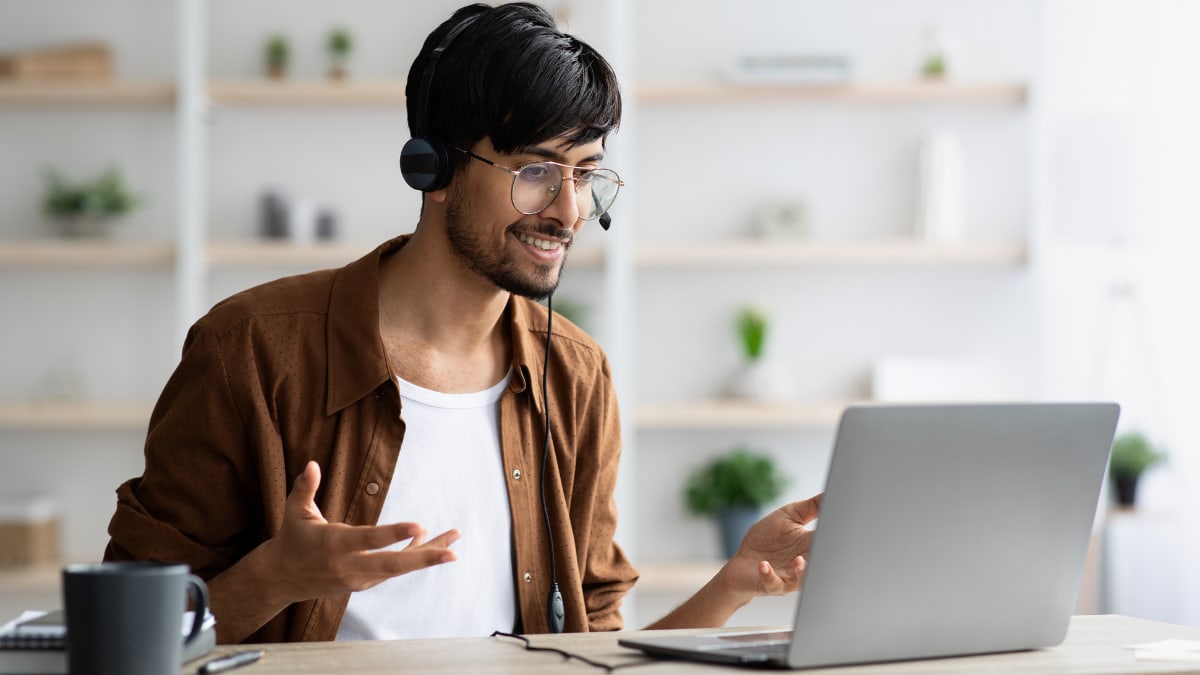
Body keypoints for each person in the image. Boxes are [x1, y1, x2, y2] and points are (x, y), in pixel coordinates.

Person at [104, 2, 821, 645]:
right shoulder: (252, 349)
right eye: (537, 171)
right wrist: (276, 576)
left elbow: (600, 645)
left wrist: (733, 584)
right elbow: (122, 638)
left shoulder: (575, 373)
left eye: (585, 174)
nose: (570, 212)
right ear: (435, 169)